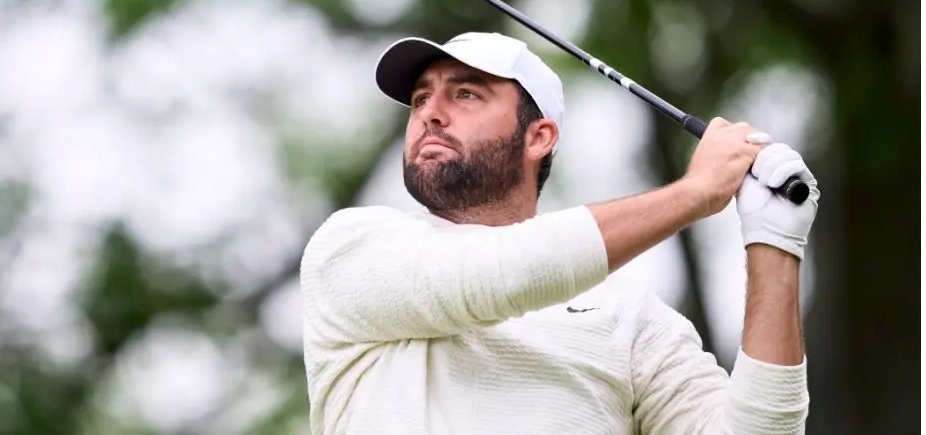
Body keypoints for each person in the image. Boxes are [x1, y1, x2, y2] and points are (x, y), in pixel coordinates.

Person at [298, 32, 819, 434]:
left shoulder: (631, 319)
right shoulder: (352, 247)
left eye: (466, 94)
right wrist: (693, 192)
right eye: (420, 99)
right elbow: (493, 275)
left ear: (538, 137)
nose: (431, 114)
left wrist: (775, 240)